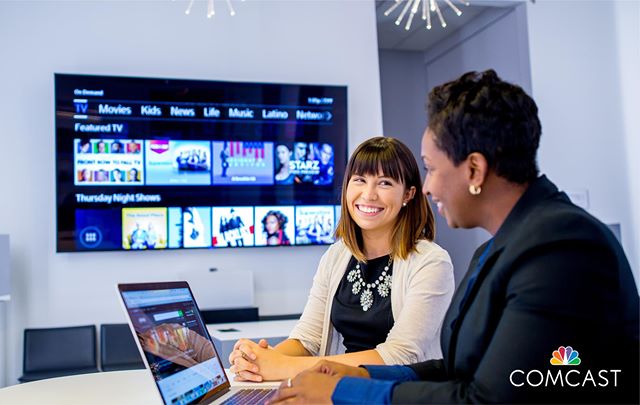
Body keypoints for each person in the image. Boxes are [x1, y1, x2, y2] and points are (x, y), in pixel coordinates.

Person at [268, 70, 640, 404]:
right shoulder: (494, 250)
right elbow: (460, 370)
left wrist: (345, 391)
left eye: (430, 169)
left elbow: (488, 398)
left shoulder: (562, 247)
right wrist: (363, 374)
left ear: (474, 170)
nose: (427, 187)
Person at [229, 136, 454, 382]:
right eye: (359, 180)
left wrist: (282, 367)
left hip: (394, 395)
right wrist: (258, 360)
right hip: (338, 390)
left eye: (384, 183)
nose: (368, 195)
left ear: (408, 195)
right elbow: (308, 338)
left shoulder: (431, 263)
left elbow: (399, 357)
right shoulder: (337, 255)